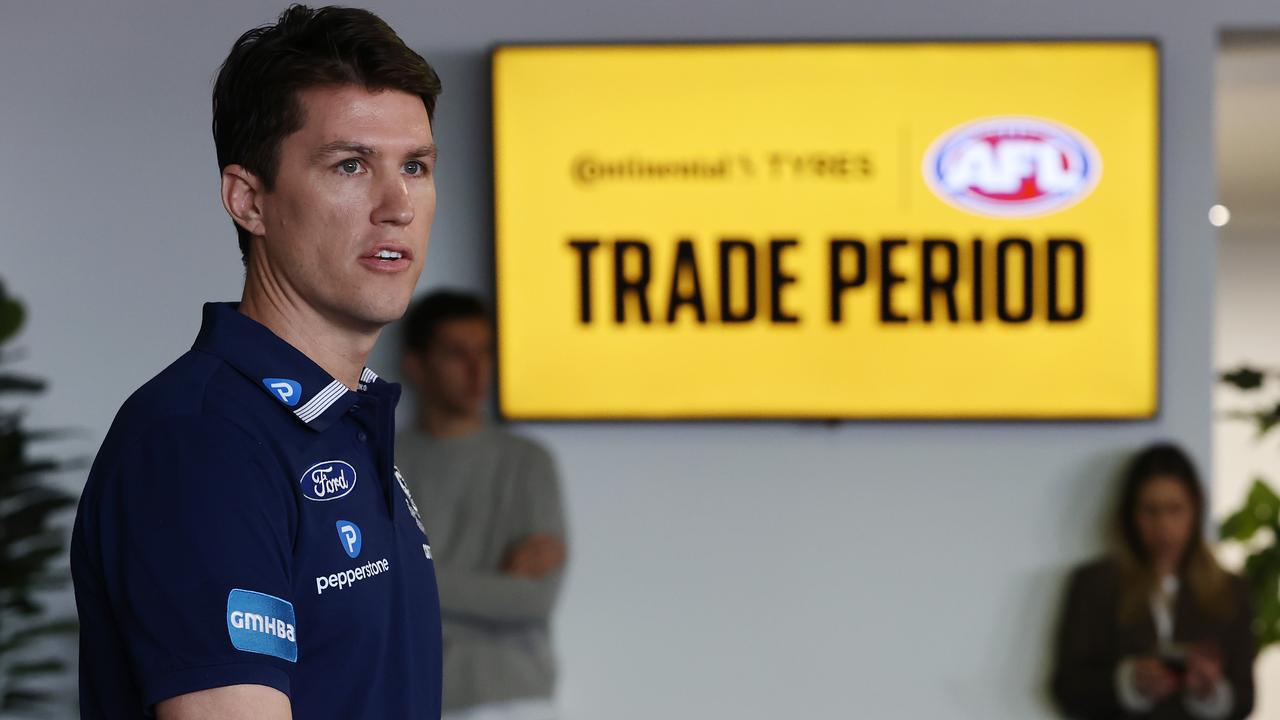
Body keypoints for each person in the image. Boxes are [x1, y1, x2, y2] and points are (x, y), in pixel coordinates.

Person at [69, 6, 444, 718]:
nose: (397, 204)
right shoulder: (202, 441)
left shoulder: (344, 418)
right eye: (351, 165)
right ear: (249, 200)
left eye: (416, 166)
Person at [397, 290, 568, 720]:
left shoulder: (528, 462)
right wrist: (492, 588)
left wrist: (415, 581)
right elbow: (362, 595)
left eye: (485, 352)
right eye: (457, 353)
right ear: (416, 366)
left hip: (513, 700)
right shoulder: (375, 462)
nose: (477, 369)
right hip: (409, 698)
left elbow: (532, 601)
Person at [1052, 443, 1256, 720]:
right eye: (1151, 511)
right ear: (1131, 515)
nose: (1164, 526)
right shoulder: (1095, 585)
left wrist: (1210, 690)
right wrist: (1129, 680)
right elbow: (1068, 687)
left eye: (1175, 510)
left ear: (1195, 512)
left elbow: (1245, 698)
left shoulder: (1230, 589)